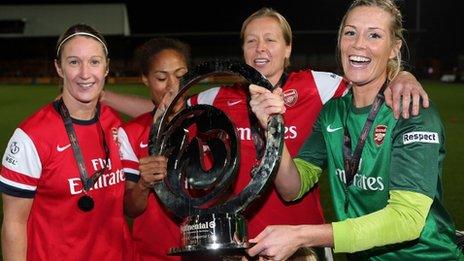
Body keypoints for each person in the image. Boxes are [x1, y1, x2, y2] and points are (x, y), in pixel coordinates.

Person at [104, 6, 429, 260]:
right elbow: (166, 109)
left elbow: (370, 83)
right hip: (241, 245)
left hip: (304, 243)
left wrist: (404, 76)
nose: (260, 48)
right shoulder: (220, 97)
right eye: (251, 40)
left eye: (271, 39)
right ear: (242, 50)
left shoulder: (318, 86)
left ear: (288, 48)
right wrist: (100, 97)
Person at [246, 1, 463, 260]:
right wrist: (273, 126)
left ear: (394, 49)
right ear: (340, 41)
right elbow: (292, 187)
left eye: (374, 34)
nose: (358, 44)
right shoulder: (332, 113)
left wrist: (302, 235)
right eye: (350, 32)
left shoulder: (412, 110)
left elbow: (406, 220)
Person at [0, 24, 135, 260]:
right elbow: (14, 223)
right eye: (74, 62)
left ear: (106, 67)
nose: (85, 73)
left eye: (94, 62)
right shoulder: (31, 137)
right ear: (59, 68)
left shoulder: (114, 123)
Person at [118, 37, 190, 260]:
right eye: (161, 77)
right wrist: (143, 184)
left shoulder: (210, 122)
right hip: (152, 254)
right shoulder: (131, 133)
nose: (173, 86)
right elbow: (130, 208)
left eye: (180, 75)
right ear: (145, 79)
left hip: (208, 252)